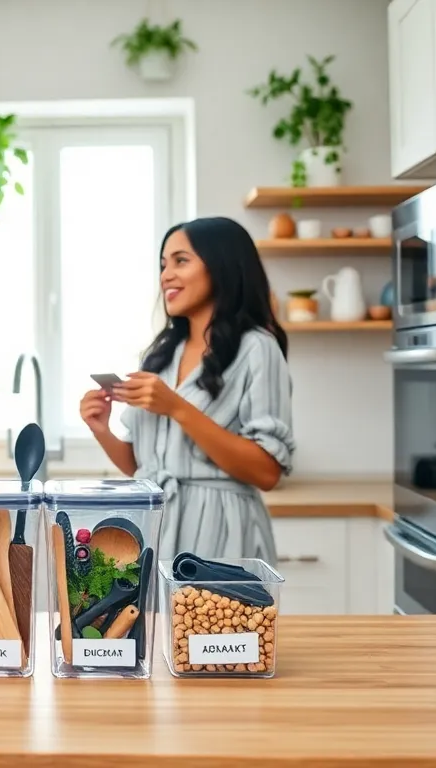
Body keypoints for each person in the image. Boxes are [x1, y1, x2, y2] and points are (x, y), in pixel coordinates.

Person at [80, 216, 295, 564]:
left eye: (181, 261)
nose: (165, 275)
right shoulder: (162, 354)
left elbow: (267, 472)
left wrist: (177, 407)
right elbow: (143, 465)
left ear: (222, 266)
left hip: (224, 537)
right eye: (163, 265)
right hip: (157, 532)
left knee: (220, 620)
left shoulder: (257, 348)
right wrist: (101, 429)